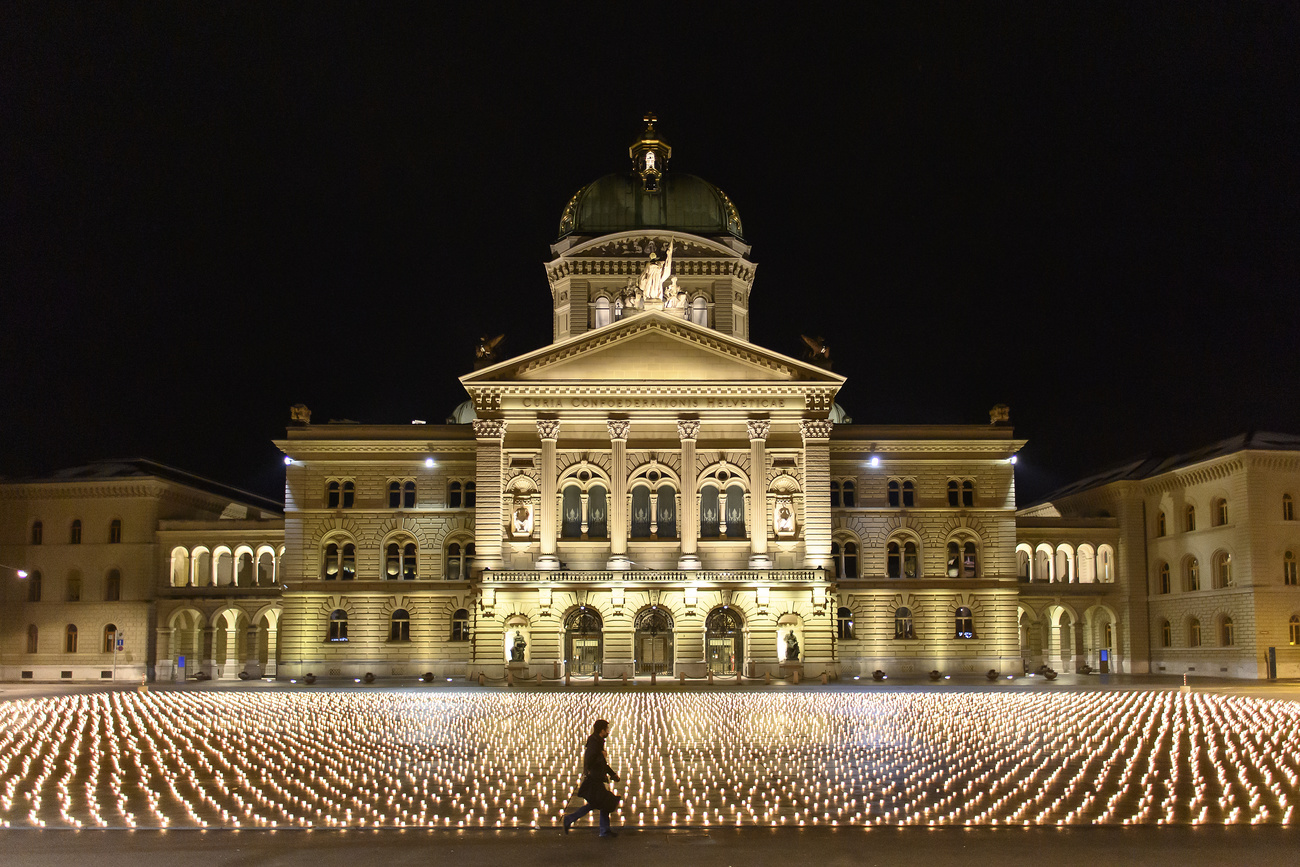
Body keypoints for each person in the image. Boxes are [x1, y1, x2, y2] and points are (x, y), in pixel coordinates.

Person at [563, 719, 621, 837]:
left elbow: (602, 763)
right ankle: (570, 820)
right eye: (607, 729)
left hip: (597, 777)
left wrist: (612, 774)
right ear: (602, 730)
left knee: (598, 803)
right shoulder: (594, 742)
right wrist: (601, 755)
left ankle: (603, 830)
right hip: (595, 779)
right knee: (603, 802)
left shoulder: (597, 741)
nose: (608, 731)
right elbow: (590, 759)